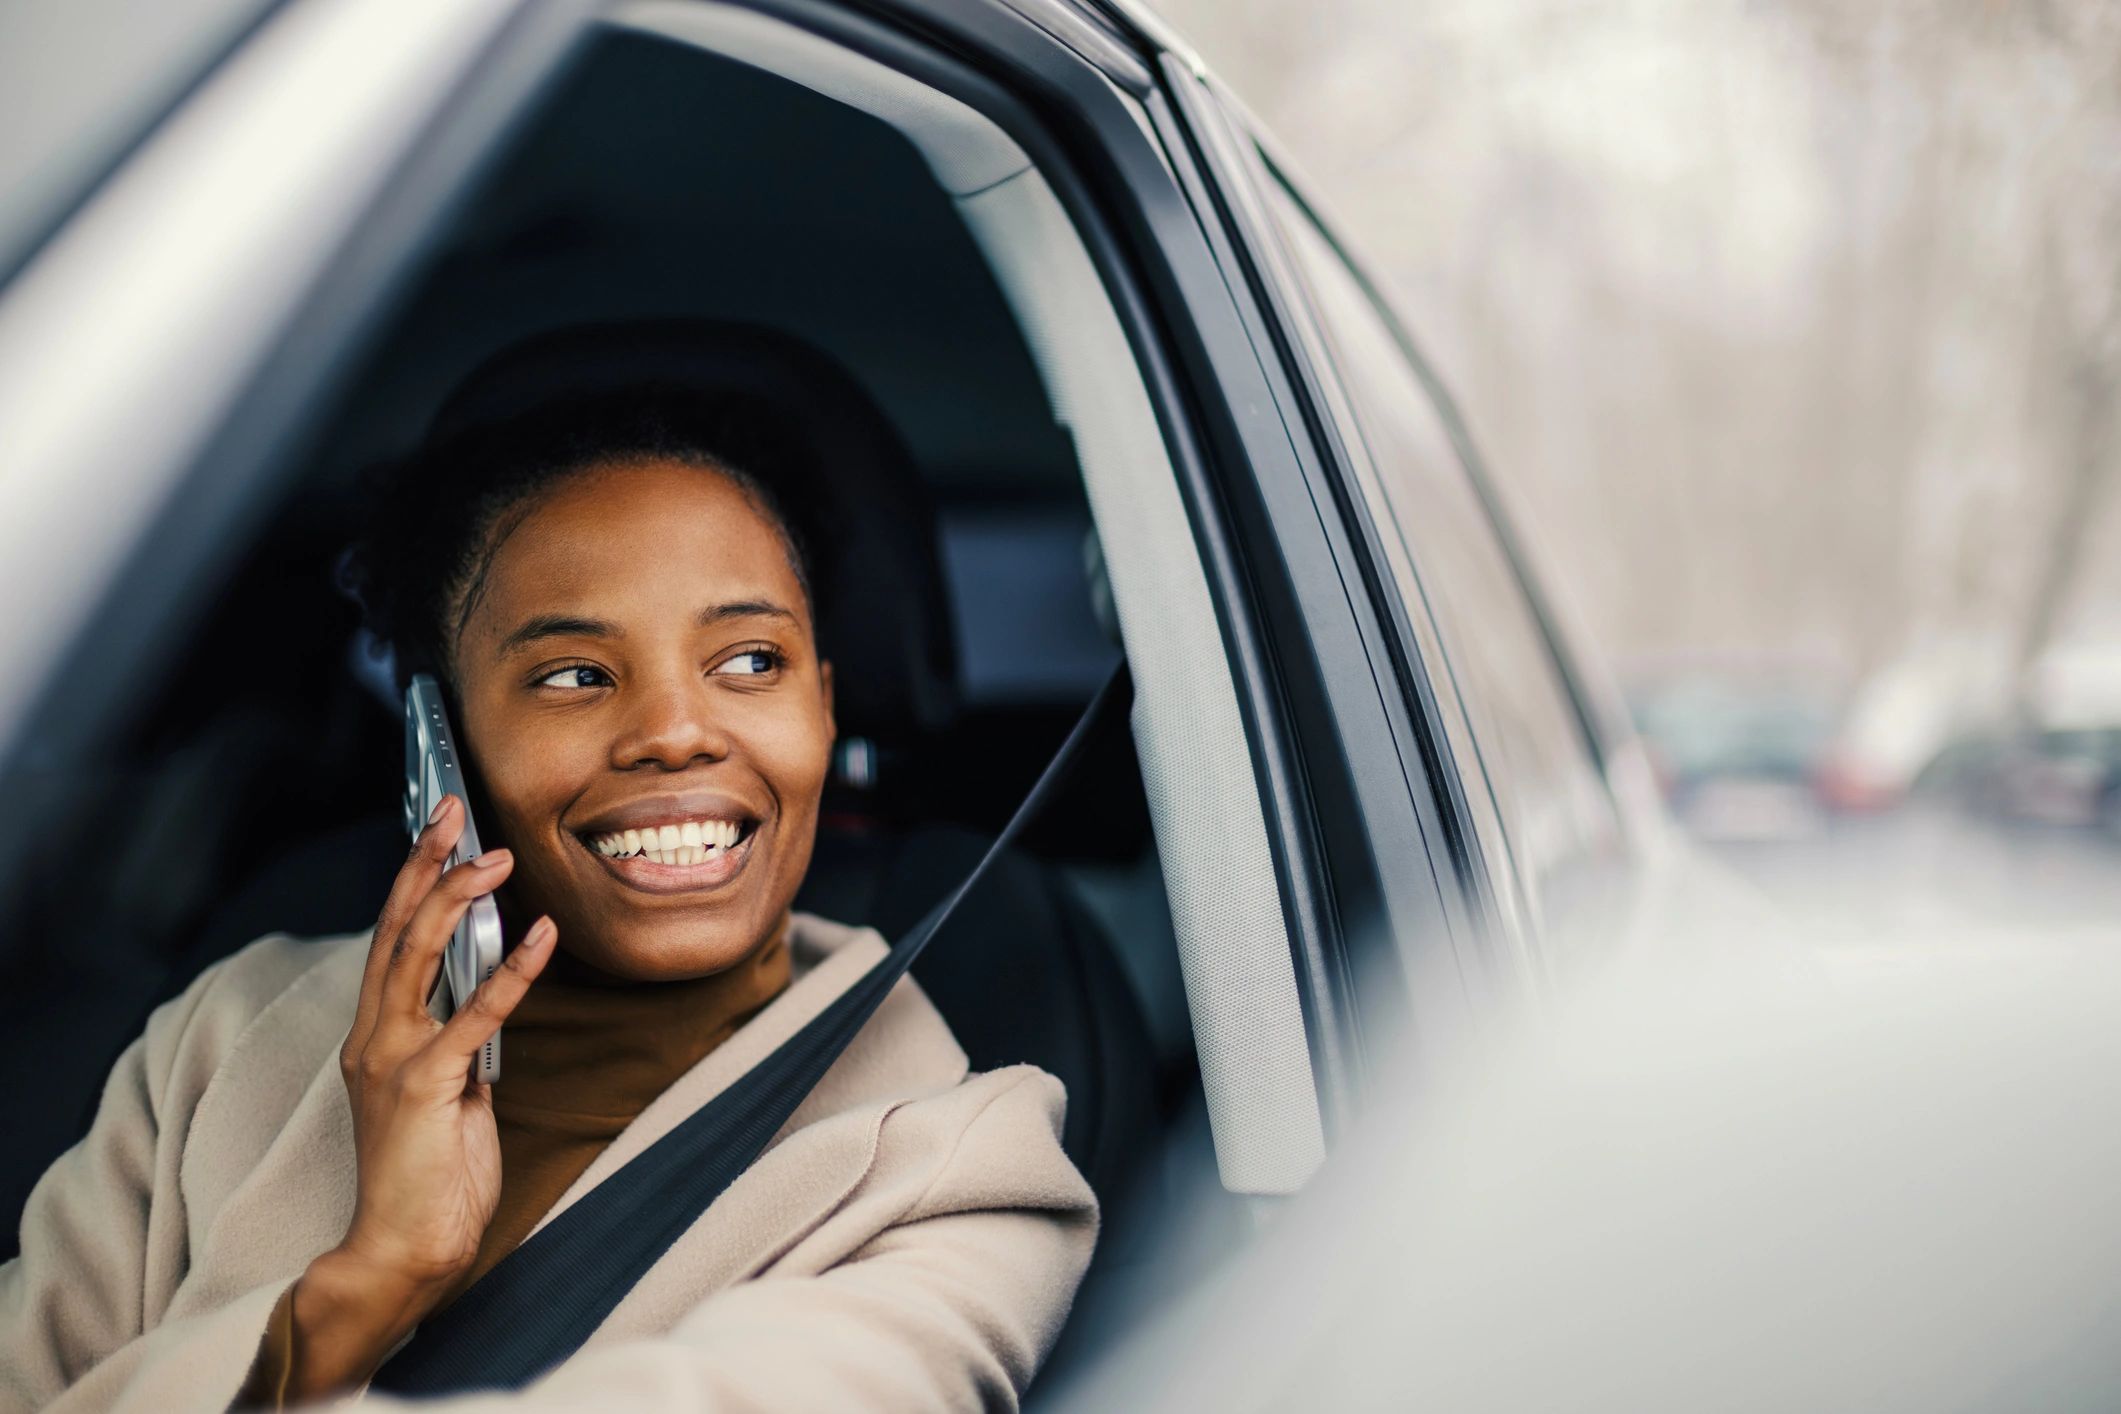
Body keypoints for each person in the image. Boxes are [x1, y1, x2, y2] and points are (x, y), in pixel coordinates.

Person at [0, 379, 1098, 1412]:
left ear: (823, 704)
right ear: (446, 746)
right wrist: (367, 1282)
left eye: (751, 660)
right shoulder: (226, 1033)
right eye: (574, 674)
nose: (676, 730)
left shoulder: (972, 1175)